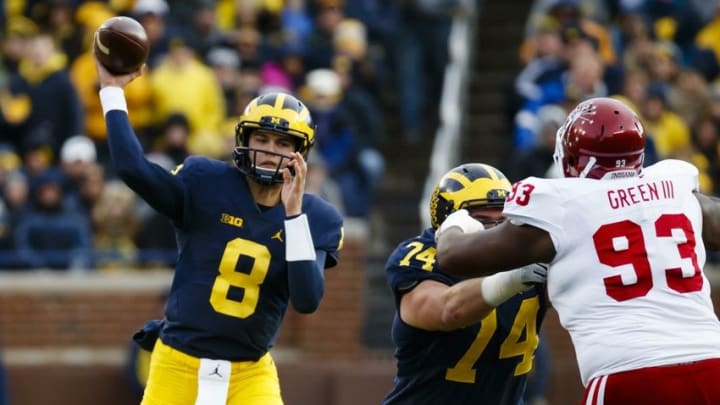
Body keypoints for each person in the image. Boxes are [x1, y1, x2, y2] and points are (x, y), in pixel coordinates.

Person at [435, 97, 720, 404]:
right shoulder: (675, 185)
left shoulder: (562, 206)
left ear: (572, 159)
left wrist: (456, 219)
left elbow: (453, 256)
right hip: (712, 362)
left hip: (626, 373)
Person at [94, 55, 344, 404]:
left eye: (283, 143)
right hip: (177, 363)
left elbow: (306, 300)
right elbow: (134, 169)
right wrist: (112, 91)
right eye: (263, 139)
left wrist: (294, 214)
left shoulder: (315, 217)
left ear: (300, 152)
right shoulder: (205, 182)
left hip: (250, 373)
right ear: (245, 141)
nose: (271, 152)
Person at [382, 163, 548, 404]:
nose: (493, 232)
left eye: (503, 221)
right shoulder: (421, 257)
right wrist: (515, 278)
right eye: (482, 220)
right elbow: (450, 310)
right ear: (447, 221)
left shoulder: (526, 252)